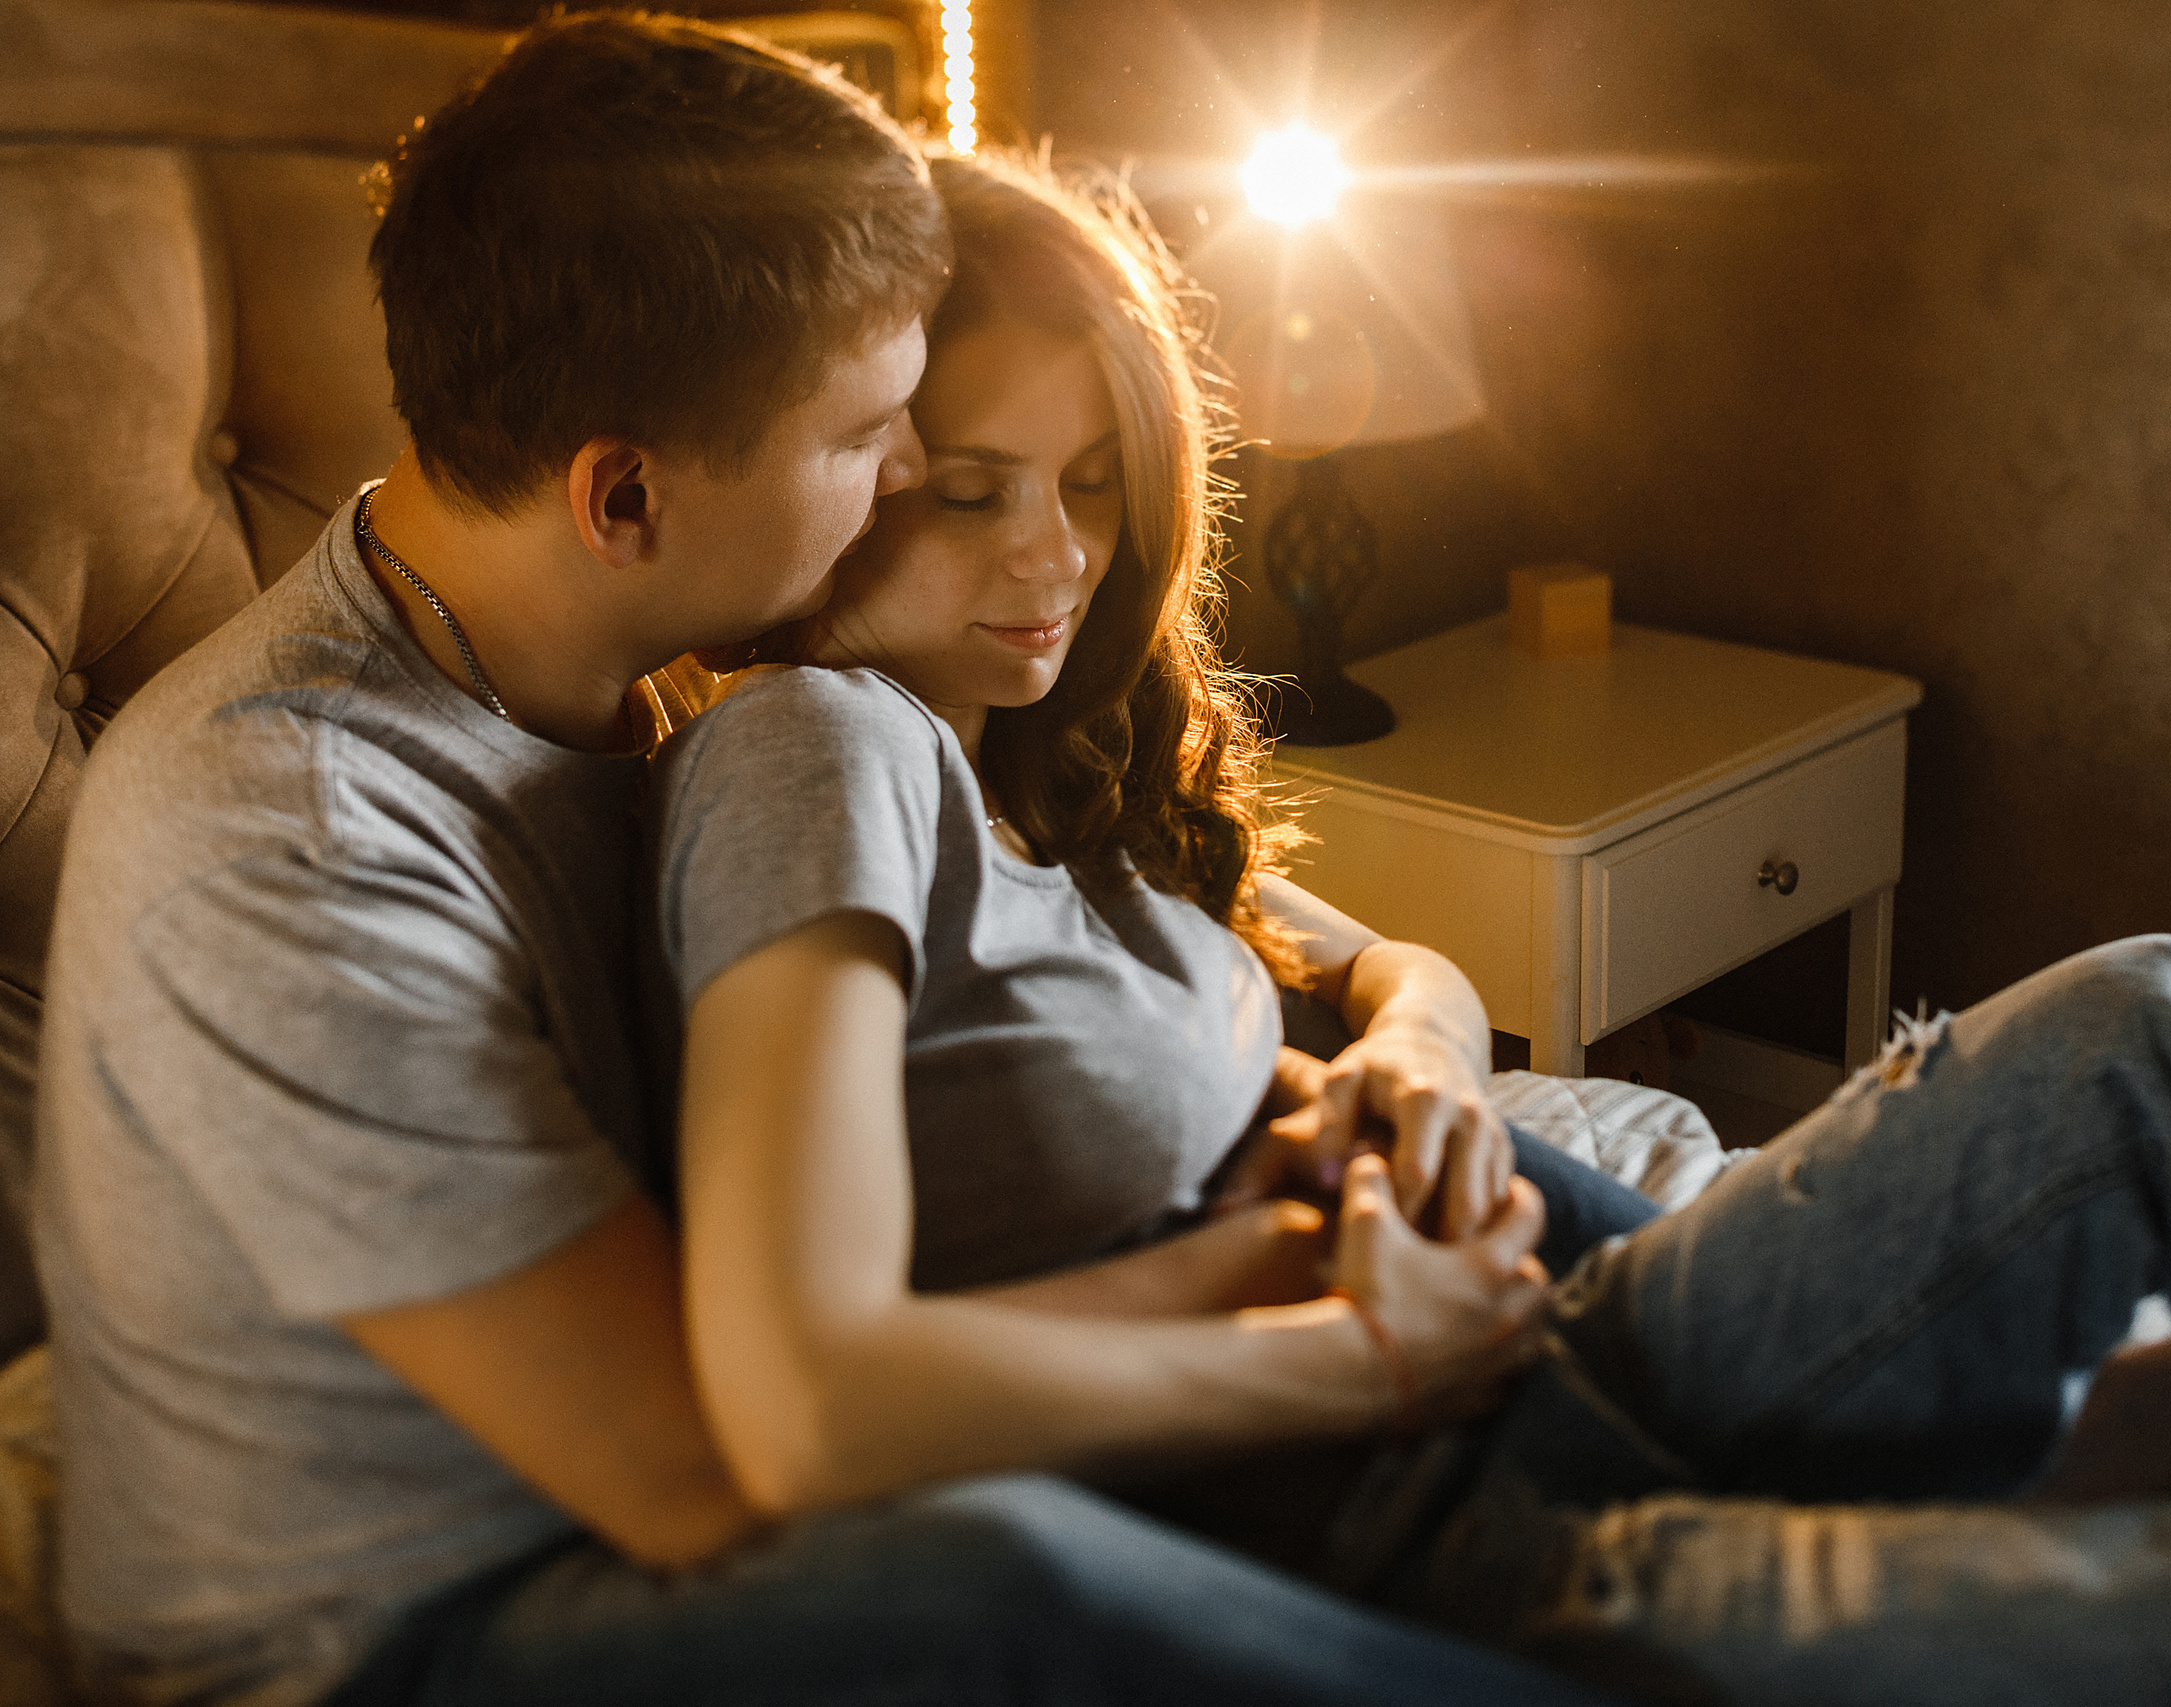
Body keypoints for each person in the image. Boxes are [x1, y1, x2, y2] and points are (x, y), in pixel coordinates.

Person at [646, 151, 2171, 1706]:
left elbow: (1401, 969)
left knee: (2163, 1028)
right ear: (837, 470)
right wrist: (1335, 1326)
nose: (1056, 558)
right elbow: (822, 1380)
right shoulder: (820, 745)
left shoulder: (1046, 771)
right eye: (967, 492)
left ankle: (2143, 1409)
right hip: (1425, 1542)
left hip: (1571, 1347)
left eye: (1087, 488)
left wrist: (1409, 1075)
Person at [33, 19, 1630, 1707]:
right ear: (625, 496)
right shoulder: (293, 836)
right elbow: (704, 1468)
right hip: (394, 1629)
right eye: (878, 442)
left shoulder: (631, 660)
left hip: (698, 1471)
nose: (892, 486)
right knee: (1004, 1572)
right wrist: (1320, 1322)